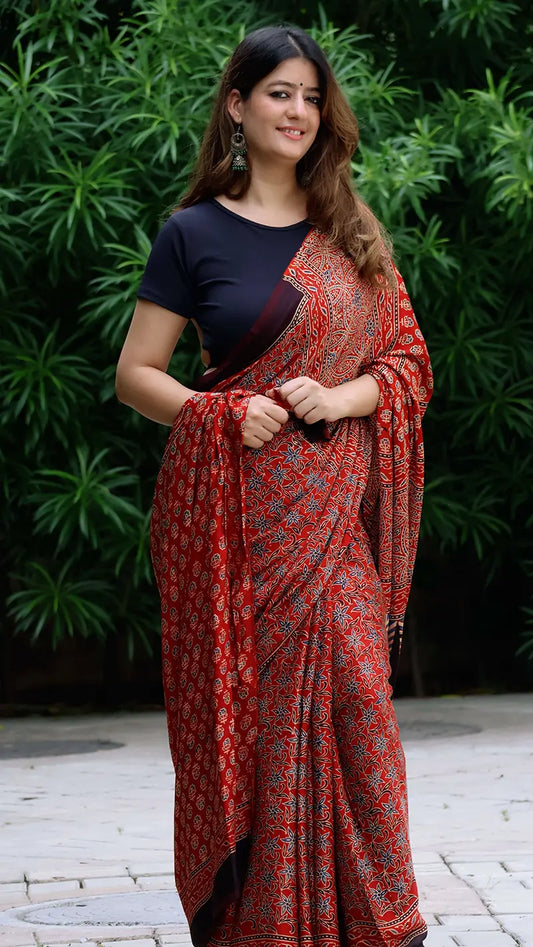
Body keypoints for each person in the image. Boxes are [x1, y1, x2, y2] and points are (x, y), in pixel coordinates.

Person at [116, 24, 433, 947]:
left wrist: (338, 394)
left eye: (307, 96)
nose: (295, 111)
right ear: (237, 106)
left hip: (333, 522)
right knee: (249, 734)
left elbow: (409, 364)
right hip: (239, 529)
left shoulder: (349, 230)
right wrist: (214, 413)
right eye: (277, 94)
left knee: (359, 702)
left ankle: (380, 926)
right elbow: (139, 371)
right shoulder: (192, 233)